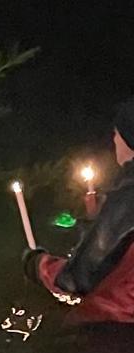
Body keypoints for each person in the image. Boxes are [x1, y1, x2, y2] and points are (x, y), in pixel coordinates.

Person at [24, 97, 134, 324]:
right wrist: (96, 222)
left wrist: (38, 265)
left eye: (117, 133)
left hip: (115, 326)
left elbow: (77, 279)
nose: (114, 140)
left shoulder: (128, 197)